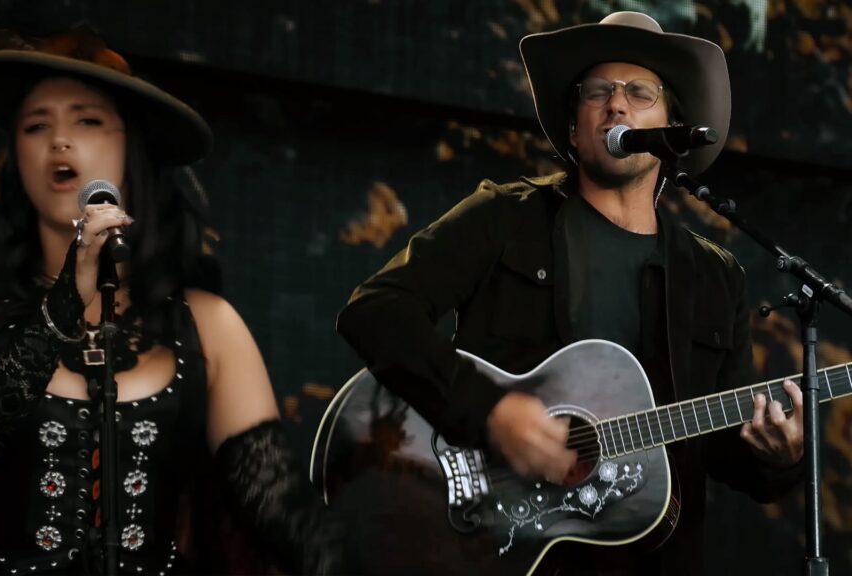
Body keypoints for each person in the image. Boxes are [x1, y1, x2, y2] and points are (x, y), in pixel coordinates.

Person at [335, 11, 804, 575]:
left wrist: (781, 457)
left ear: (671, 130)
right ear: (576, 130)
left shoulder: (714, 275)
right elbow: (376, 311)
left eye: (640, 91)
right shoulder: (505, 217)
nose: (617, 104)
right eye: (598, 91)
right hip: (490, 547)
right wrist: (491, 414)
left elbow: (726, 448)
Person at [0, 28, 329, 575]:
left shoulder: (208, 324)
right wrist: (64, 305)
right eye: (36, 125)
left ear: (133, 148)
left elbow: (276, 502)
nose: (59, 140)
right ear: (18, 156)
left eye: (87, 119)